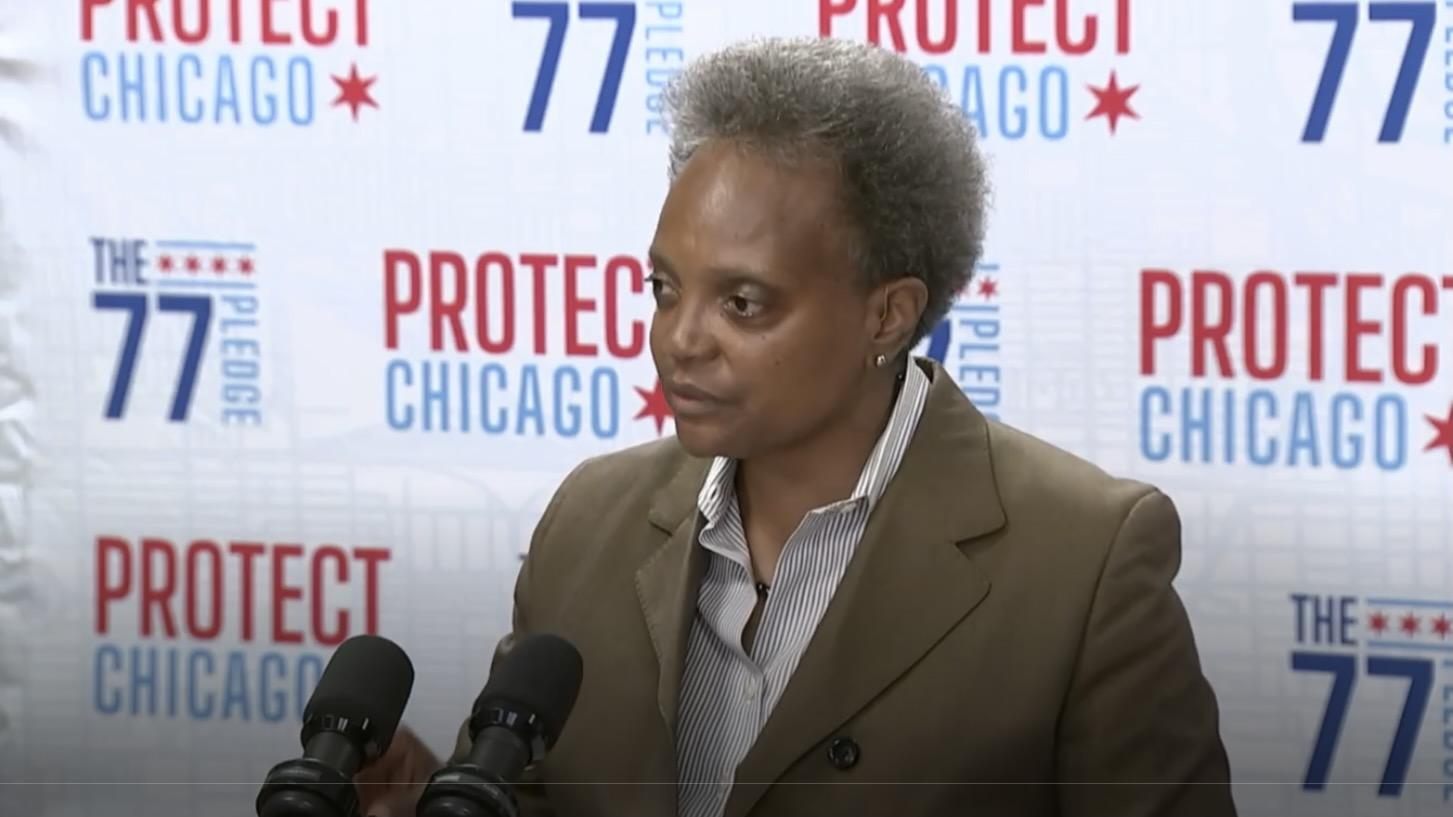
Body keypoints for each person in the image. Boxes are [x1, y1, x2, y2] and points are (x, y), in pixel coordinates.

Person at [356, 36, 1236, 817]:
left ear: (886, 316)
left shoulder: (1084, 560)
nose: (678, 340)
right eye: (664, 288)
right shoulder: (591, 519)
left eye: (742, 302)